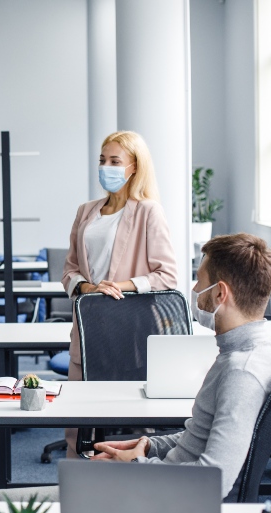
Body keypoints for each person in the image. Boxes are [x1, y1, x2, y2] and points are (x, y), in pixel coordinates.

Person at [0, 233, 271, 502]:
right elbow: (202, 437)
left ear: (221, 294)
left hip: (157, 501)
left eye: (199, 281)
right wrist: (147, 445)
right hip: (156, 483)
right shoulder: (255, 351)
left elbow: (214, 480)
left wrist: (134, 466)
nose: (194, 289)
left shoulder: (241, 371)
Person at [60, 130, 178, 457]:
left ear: (134, 167)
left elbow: (167, 275)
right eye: (102, 160)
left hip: (131, 326)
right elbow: (69, 269)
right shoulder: (86, 212)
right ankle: (78, 475)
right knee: (79, 413)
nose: (106, 167)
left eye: (115, 161)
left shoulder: (147, 212)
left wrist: (121, 286)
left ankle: (134, 476)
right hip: (89, 324)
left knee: (131, 416)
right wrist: (87, 287)